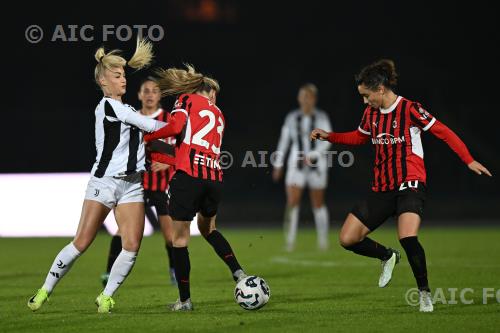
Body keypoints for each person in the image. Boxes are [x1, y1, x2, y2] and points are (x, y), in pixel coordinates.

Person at [310, 59, 492, 312]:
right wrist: (331, 136)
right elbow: (359, 137)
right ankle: (387, 256)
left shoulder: (410, 109)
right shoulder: (370, 114)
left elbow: (443, 131)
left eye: (366, 95)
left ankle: (424, 294)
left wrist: (468, 159)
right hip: (382, 186)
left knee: (407, 236)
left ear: (381, 89)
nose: (364, 101)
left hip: (410, 183)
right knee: (347, 238)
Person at [27, 39, 167, 314]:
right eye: (117, 76)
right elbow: (151, 126)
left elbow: (144, 140)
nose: (123, 79)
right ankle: (44, 290)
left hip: (132, 186)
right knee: (81, 242)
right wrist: (181, 127)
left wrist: (165, 155)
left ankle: (106, 296)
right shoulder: (107, 107)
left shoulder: (127, 110)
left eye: (124, 74)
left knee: (132, 245)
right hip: (104, 183)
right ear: (104, 81)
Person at [143, 64, 248, 311]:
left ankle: (185, 301)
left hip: (189, 179)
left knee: (179, 240)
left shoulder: (186, 100)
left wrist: (150, 137)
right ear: (210, 92)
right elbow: (190, 151)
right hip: (213, 179)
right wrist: (162, 154)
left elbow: (177, 129)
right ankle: (239, 273)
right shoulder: (220, 114)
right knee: (209, 229)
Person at [101, 77, 177, 287]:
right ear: (140, 95)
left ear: (160, 96)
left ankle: (173, 270)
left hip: (162, 186)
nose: (150, 94)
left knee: (169, 235)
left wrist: (168, 164)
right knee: (123, 231)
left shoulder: (168, 119)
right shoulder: (130, 117)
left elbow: (181, 152)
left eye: (154, 91)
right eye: (146, 90)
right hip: (137, 185)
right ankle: (108, 272)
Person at [272, 84, 332, 251]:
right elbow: (284, 142)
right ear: (299, 98)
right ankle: (290, 241)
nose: (305, 100)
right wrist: (278, 164)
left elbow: (327, 141)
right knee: (292, 202)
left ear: (314, 99)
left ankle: (323, 241)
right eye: (302, 96)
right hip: (295, 165)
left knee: (318, 203)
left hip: (317, 165)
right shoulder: (292, 117)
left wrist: (312, 156)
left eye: (308, 96)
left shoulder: (321, 117)